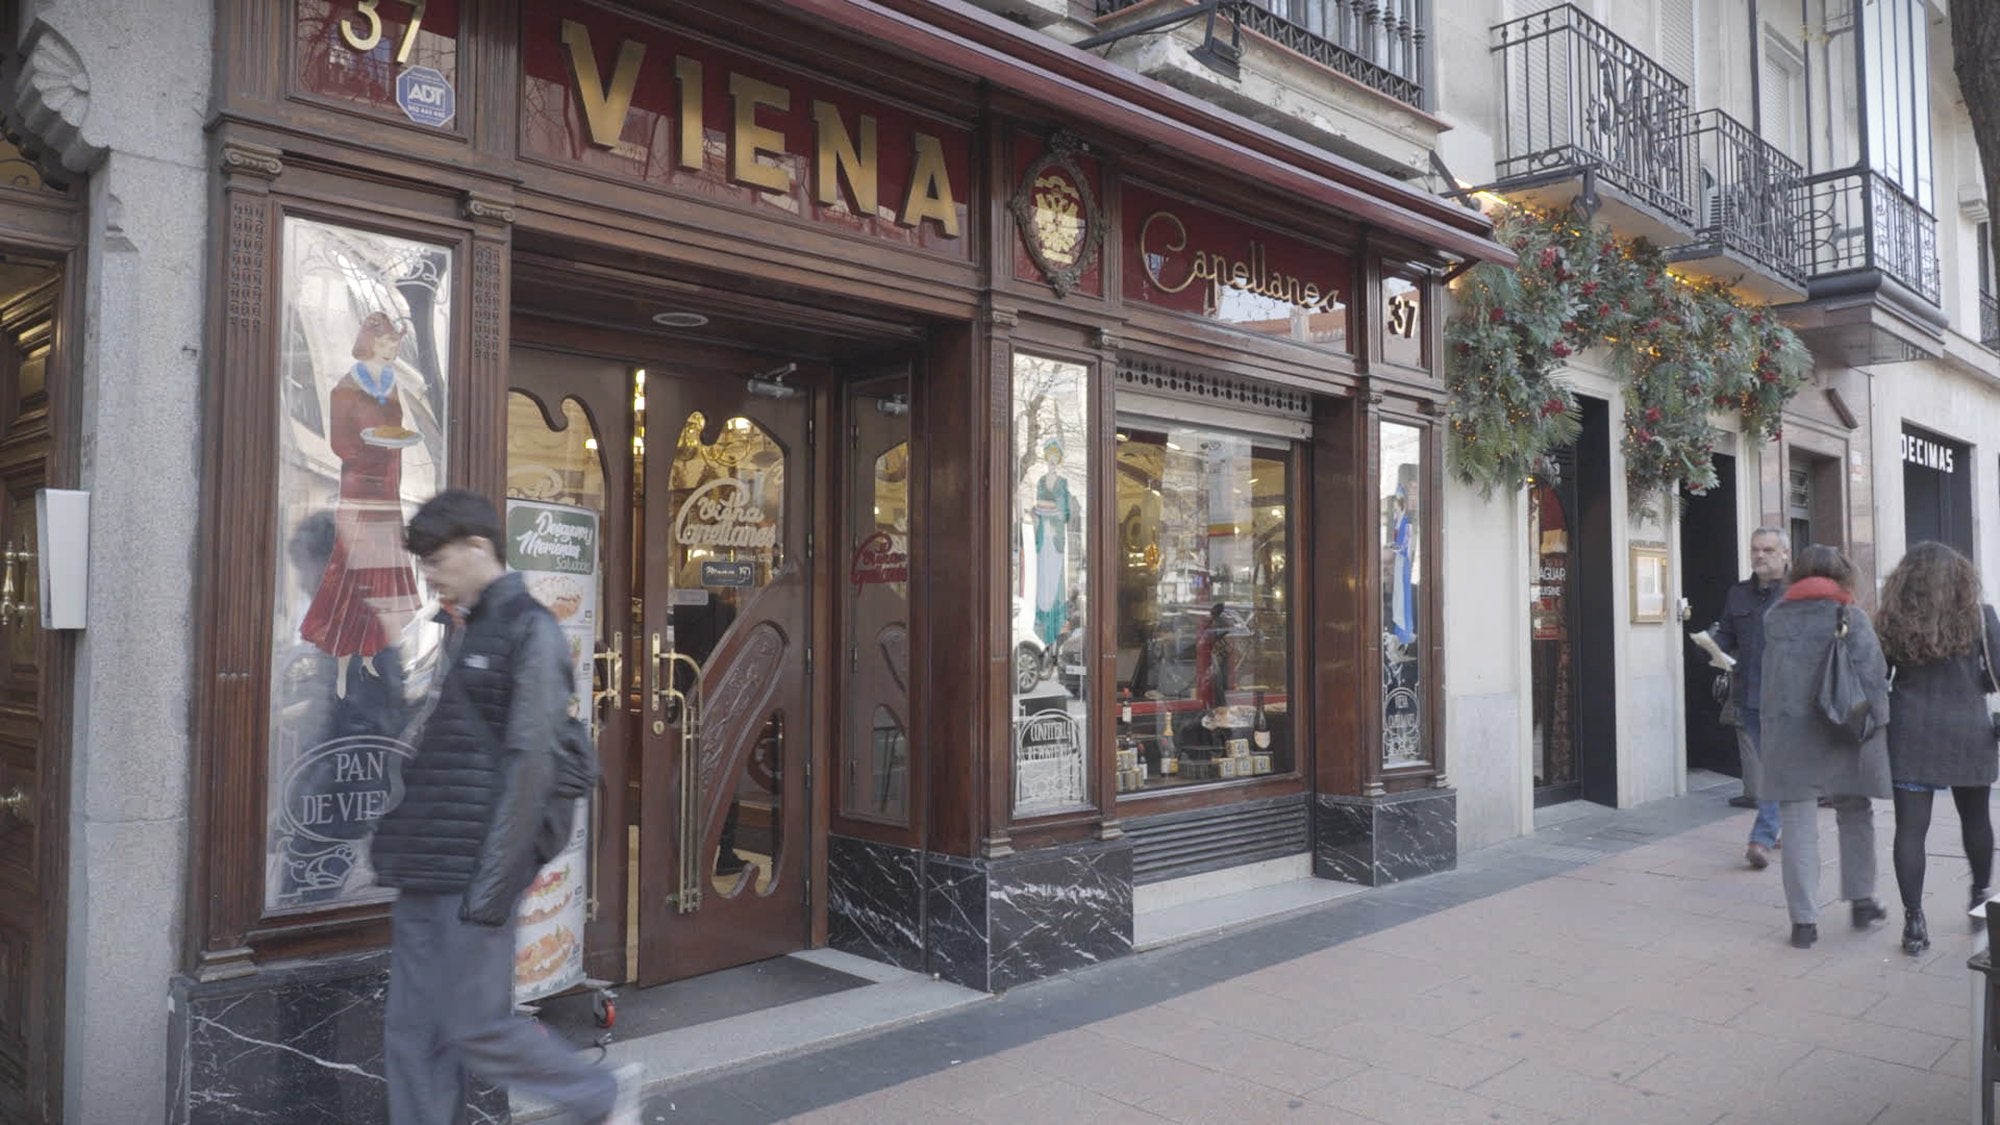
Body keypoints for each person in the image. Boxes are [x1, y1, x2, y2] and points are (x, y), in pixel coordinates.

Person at [368, 489, 641, 1125]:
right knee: (413, 1034)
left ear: (477, 548)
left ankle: (598, 1094)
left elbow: (532, 764)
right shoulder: (461, 627)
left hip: (470, 872)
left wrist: (494, 886)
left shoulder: (529, 628)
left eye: (436, 560)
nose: (428, 575)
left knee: (475, 1026)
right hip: (426, 865)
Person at [1758, 544, 1892, 949]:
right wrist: (1881, 725)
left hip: (1790, 734)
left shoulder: (1774, 617)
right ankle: (1862, 900)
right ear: (1843, 574)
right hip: (1844, 732)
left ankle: (1804, 924)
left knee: (1797, 821)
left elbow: (1770, 680)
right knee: (1855, 811)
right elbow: (1873, 676)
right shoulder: (1851, 616)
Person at [1873, 541, 2000, 956]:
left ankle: (1914, 921)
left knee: (1911, 829)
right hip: (1968, 730)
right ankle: (1980, 896)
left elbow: (1880, 675)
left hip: (1910, 730)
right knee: (1976, 820)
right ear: (1962, 578)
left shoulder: (1892, 618)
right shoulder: (1981, 618)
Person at [299, 312, 425, 700]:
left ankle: (371, 650)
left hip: (386, 484)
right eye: (388, 342)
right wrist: (369, 447)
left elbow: (398, 430)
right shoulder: (346, 387)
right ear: (371, 342)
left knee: (381, 568)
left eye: (395, 343)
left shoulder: (392, 385)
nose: (392, 349)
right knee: (352, 566)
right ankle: (341, 657)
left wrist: (389, 452)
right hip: (359, 483)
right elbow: (341, 442)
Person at [1710, 528, 1790, 868]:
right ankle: (1780, 822)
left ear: (1785, 553)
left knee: (1772, 767)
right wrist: (1712, 646)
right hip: (1750, 695)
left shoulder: (1799, 594)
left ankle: (1762, 836)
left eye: (1768, 549)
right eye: (1755, 549)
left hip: (1790, 698)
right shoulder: (1738, 594)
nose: (1760, 555)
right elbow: (1726, 636)